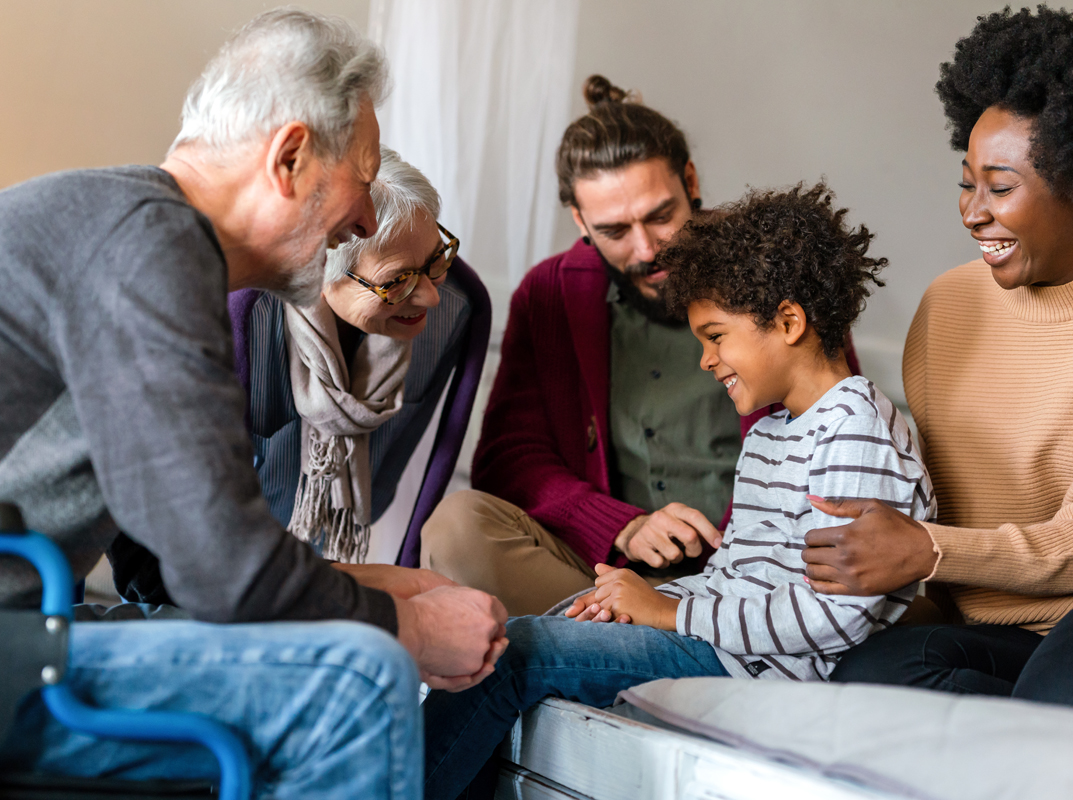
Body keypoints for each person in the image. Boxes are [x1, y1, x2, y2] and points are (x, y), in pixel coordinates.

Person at [0, 10, 506, 797]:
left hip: (27, 628)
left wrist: (366, 585)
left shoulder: (130, 230)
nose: (368, 221)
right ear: (292, 156)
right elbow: (221, 570)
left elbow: (163, 560)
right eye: (364, 180)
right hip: (12, 648)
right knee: (359, 682)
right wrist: (404, 628)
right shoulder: (146, 244)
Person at [421, 183, 933, 800]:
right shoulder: (776, 428)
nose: (705, 360)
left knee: (514, 654)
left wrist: (670, 610)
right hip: (724, 649)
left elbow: (835, 618)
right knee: (509, 636)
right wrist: (621, 602)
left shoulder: (855, 428)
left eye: (715, 336)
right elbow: (738, 576)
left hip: (761, 676)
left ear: (789, 322)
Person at [809, 7, 1073, 724]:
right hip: (1014, 616)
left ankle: (1070, 710)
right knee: (869, 675)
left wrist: (927, 550)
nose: (972, 213)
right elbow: (947, 506)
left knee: (1070, 693)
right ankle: (1064, 721)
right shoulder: (948, 305)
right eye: (966, 183)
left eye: (999, 186)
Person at [421, 74, 861, 616]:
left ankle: (654, 636)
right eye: (614, 230)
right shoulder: (550, 293)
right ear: (580, 220)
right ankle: (657, 635)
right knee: (457, 527)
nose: (647, 249)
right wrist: (622, 527)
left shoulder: (772, 271)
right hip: (603, 573)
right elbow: (509, 460)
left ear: (690, 180)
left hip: (755, 574)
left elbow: (839, 427)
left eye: (660, 216)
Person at [109, 145, 473, 602]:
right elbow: (161, 526)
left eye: (435, 262)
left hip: (313, 557)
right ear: (319, 264)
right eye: (397, 280)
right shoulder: (231, 315)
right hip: (196, 565)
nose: (431, 298)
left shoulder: (457, 308)